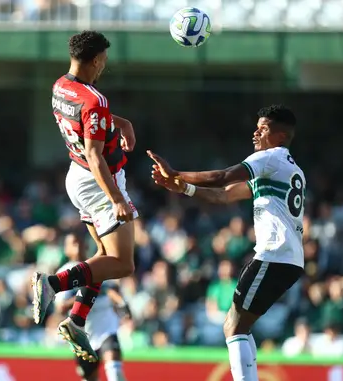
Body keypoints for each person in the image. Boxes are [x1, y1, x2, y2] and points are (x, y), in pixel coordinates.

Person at [148, 104, 305, 381]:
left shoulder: (270, 159)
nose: (255, 132)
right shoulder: (288, 169)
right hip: (290, 259)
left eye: (263, 128)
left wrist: (176, 174)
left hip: (273, 255)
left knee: (233, 325)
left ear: (280, 136)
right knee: (241, 325)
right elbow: (223, 195)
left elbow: (222, 177)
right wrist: (183, 188)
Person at [32, 30, 139, 362]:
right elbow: (95, 154)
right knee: (122, 264)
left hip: (76, 176)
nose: (105, 64)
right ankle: (52, 283)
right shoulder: (95, 99)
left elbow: (87, 122)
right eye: (104, 58)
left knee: (101, 260)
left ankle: (77, 320)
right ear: (96, 59)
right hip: (99, 179)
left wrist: (123, 123)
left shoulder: (60, 87)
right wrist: (118, 198)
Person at [54, 232, 130, 381]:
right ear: (66, 250)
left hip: (106, 326)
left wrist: (122, 304)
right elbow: (60, 307)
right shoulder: (65, 274)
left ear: (87, 246)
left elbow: (110, 290)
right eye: (73, 243)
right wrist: (84, 294)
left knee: (114, 371)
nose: (78, 246)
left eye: (80, 242)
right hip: (83, 334)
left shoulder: (97, 265)